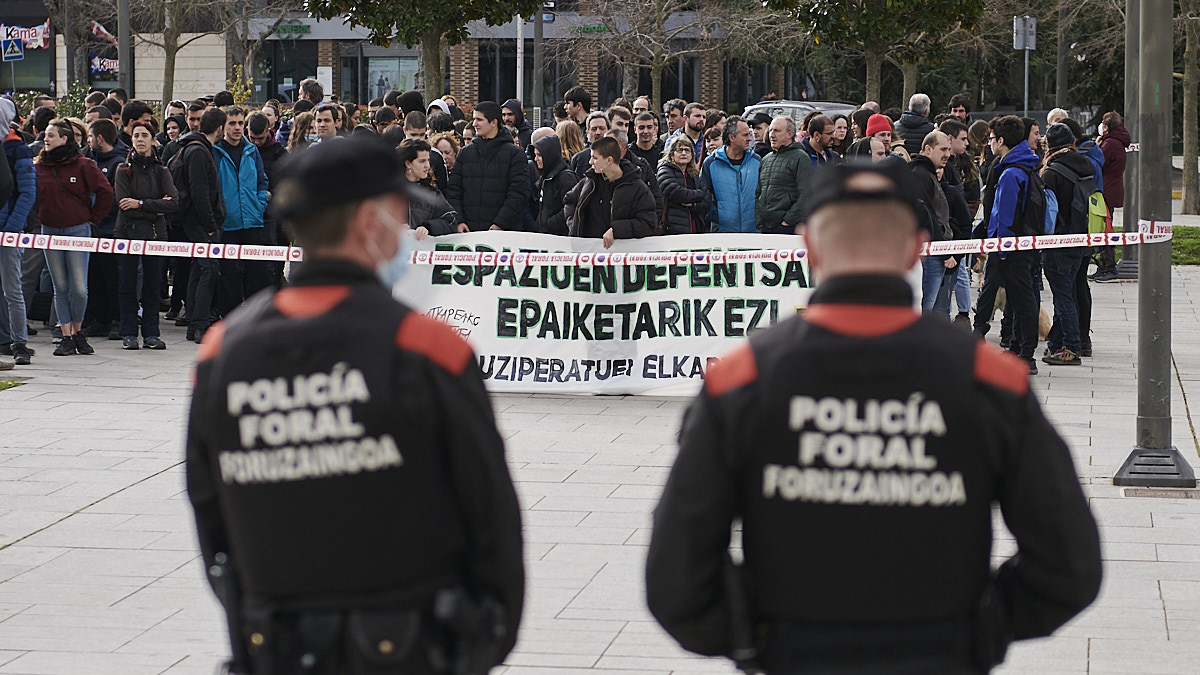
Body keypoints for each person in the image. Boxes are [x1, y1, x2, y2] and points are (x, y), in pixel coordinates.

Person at [645, 160, 1102, 673]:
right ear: (915, 248)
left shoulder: (743, 379)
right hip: (938, 650)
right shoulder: (989, 379)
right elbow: (1070, 564)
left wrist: (754, 637)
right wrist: (979, 631)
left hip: (795, 650)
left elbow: (675, 577)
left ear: (810, 247)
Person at [186, 136, 524, 675]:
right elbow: (490, 518)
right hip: (411, 646)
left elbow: (211, 521)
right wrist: (481, 644)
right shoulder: (427, 349)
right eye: (398, 214)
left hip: (278, 644)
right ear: (371, 223)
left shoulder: (223, 351)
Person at [35, 118, 113, 356]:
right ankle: (66, 335)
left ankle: (78, 331)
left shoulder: (83, 164)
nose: (46, 139)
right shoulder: (38, 165)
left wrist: (93, 218)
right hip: (50, 230)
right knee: (60, 286)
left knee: (79, 288)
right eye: (45, 135)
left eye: (51, 135)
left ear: (64, 138)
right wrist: (38, 215)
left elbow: (105, 191)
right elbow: (29, 193)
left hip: (78, 230)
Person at [983, 115, 1042, 373]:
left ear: (1002, 141)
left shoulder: (1010, 173)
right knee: (1021, 300)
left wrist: (1002, 250)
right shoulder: (1025, 165)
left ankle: (1025, 354)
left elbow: (1004, 215)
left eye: (992, 139)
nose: (990, 143)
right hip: (1024, 244)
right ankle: (1018, 350)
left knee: (1022, 301)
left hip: (1011, 248)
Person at [113, 121, 177, 350]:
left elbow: (173, 202)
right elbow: (123, 203)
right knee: (127, 285)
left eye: (144, 135)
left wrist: (140, 204)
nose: (140, 139)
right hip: (127, 234)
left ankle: (151, 333)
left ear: (153, 140)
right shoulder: (123, 170)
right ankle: (129, 332)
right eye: (136, 135)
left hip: (155, 236)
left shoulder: (162, 171)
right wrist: (155, 208)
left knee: (152, 286)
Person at [1040, 123, 1095, 366]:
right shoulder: (1087, 165)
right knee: (1068, 292)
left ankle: (1071, 348)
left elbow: (1048, 214)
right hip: (1082, 239)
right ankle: (1057, 342)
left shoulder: (1052, 173)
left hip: (1059, 243)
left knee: (1063, 297)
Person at [177, 106, 227, 343]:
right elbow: (200, 191)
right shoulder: (198, 151)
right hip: (200, 223)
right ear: (220, 128)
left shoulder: (196, 148)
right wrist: (210, 223)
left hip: (198, 221)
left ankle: (194, 323)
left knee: (199, 270)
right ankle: (199, 323)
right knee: (208, 270)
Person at [445, 101, 530, 232]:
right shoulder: (465, 153)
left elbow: (518, 193)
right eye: (473, 119)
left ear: (493, 122)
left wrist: (500, 223)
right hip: (468, 232)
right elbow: (454, 190)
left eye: (479, 119)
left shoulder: (515, 154)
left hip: (504, 233)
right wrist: (459, 220)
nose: (474, 124)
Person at [564, 136, 656, 247]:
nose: (590, 162)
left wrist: (616, 230)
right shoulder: (589, 181)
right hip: (588, 253)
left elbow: (648, 222)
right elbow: (569, 201)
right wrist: (574, 224)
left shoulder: (638, 187)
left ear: (609, 160)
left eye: (595, 158)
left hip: (621, 255)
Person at [83, 118, 128, 340]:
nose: (88, 141)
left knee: (112, 279)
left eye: (90, 137)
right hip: (93, 231)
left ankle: (117, 320)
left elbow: (113, 198)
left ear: (100, 138)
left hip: (110, 231)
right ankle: (99, 320)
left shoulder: (118, 162)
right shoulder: (89, 159)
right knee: (95, 279)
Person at [0, 98, 33, 366]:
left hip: (8, 230)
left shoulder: (17, 149)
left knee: (13, 290)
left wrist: (12, 228)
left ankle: (19, 342)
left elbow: (27, 191)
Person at [699, 117, 759, 233]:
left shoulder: (756, 161)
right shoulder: (711, 163)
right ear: (732, 137)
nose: (749, 139)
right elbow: (704, 197)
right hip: (722, 235)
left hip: (753, 235)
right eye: (745, 135)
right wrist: (719, 218)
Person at [756, 116, 811, 235]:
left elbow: (807, 194)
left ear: (790, 134)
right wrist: (759, 220)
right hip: (765, 227)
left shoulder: (800, 158)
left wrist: (787, 221)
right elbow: (758, 192)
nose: (772, 135)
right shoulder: (766, 159)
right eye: (770, 130)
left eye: (777, 130)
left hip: (788, 229)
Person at [1093, 111, 1129, 283]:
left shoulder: (1110, 144)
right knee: (1105, 227)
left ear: (1107, 127)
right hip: (1112, 189)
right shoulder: (1117, 142)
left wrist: (1097, 146)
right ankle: (1104, 266)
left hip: (1106, 191)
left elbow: (1098, 162)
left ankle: (1109, 268)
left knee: (1106, 229)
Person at [397, 138, 457, 238]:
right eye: (422, 161)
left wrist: (428, 227)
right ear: (408, 164)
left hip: (422, 250)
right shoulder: (389, 192)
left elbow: (451, 220)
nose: (427, 166)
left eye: (428, 160)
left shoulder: (431, 193)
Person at [658, 135, 712, 235]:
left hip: (696, 229)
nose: (683, 153)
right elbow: (675, 192)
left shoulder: (693, 174)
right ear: (672, 154)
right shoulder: (665, 170)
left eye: (687, 150)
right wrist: (699, 194)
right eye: (679, 150)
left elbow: (707, 199)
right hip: (672, 229)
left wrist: (693, 205)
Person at [531, 134, 579, 235]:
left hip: (559, 236)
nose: (536, 159)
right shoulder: (545, 178)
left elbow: (571, 206)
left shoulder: (566, 177)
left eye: (539, 155)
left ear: (549, 155)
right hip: (546, 235)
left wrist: (549, 224)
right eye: (535, 155)